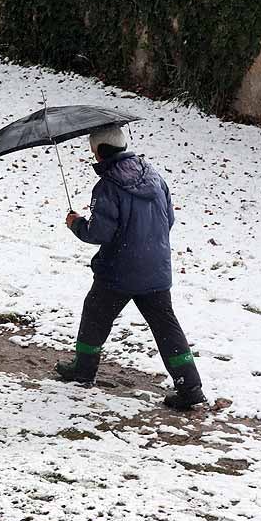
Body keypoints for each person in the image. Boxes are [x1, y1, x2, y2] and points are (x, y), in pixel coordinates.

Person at [55, 125, 207, 411]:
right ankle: (190, 387)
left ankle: (83, 371)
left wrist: (76, 223)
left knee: (95, 315)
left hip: (118, 271)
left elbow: (99, 233)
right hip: (156, 268)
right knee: (166, 326)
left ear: (99, 152)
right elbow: (169, 220)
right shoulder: (154, 176)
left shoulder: (108, 186)